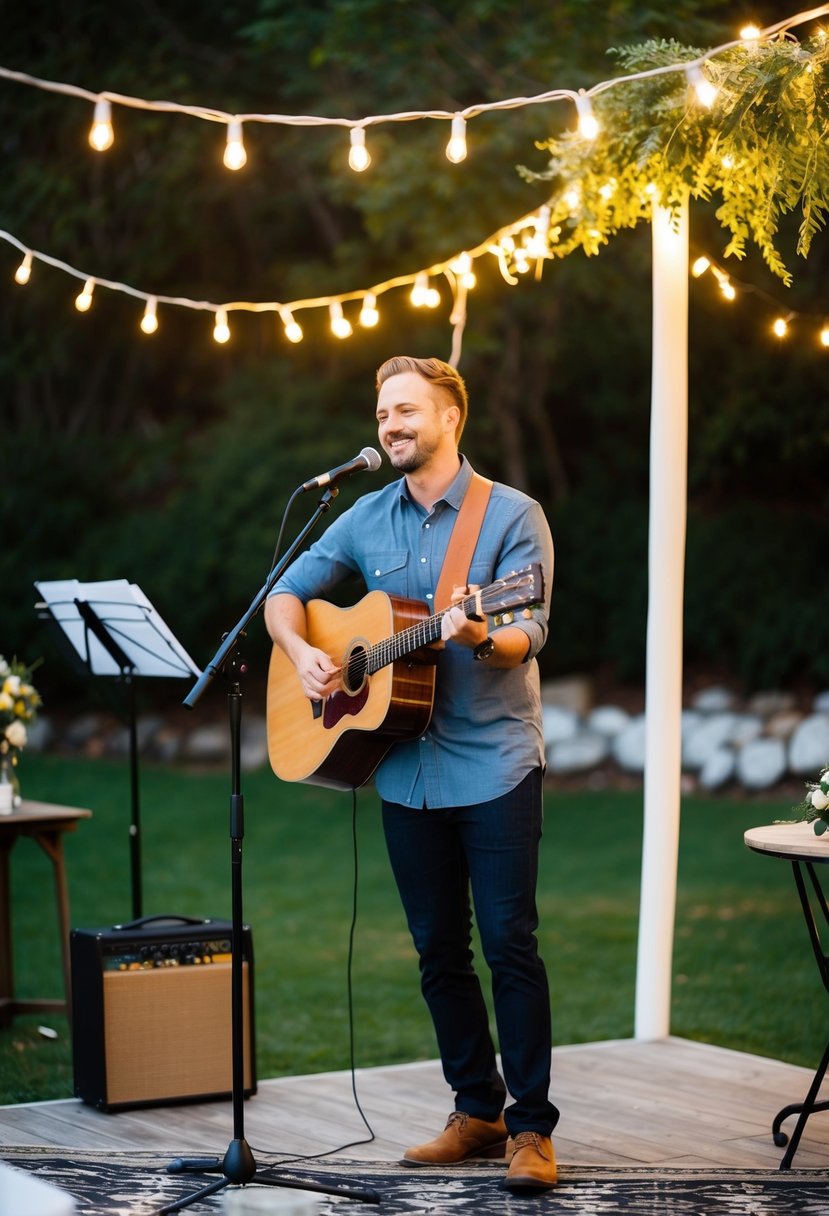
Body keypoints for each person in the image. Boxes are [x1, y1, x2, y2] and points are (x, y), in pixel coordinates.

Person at [265, 355, 558, 1191]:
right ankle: (476, 1109)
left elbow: (526, 629)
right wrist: (305, 652)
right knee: (437, 951)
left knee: (509, 945)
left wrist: (477, 634)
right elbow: (287, 594)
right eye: (381, 412)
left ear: (448, 418)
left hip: (495, 762)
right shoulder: (363, 517)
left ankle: (531, 1131)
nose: (388, 425)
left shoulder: (511, 517)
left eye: (404, 411)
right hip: (405, 771)